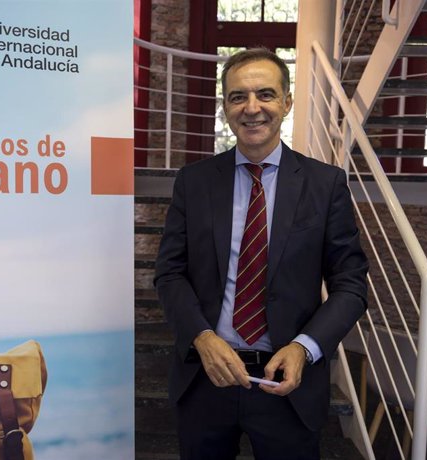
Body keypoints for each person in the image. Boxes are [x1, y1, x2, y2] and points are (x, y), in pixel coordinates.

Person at [154, 47, 369, 460]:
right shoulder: (193, 182)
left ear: (286, 103)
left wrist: (305, 346)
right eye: (238, 97)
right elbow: (169, 274)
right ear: (225, 107)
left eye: (265, 94)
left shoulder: (325, 185)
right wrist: (201, 337)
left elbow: (351, 284)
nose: (252, 108)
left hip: (287, 382)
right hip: (207, 377)